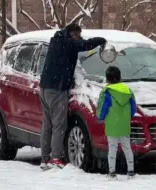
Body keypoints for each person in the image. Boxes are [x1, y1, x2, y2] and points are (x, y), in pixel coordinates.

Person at [39, 23, 107, 170]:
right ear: (72, 33)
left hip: (44, 88)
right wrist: (100, 40)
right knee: (59, 125)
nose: (79, 38)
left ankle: (45, 158)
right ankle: (55, 158)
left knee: (48, 125)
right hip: (57, 89)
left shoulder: (56, 40)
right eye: (77, 35)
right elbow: (84, 45)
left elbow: (78, 45)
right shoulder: (67, 43)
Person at [96, 66, 137, 179]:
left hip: (112, 125)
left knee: (112, 149)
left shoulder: (106, 92)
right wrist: (128, 116)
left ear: (107, 79)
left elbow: (102, 109)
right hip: (124, 125)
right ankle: (131, 171)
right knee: (127, 148)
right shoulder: (128, 91)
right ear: (120, 77)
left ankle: (112, 172)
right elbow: (133, 108)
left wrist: (100, 117)